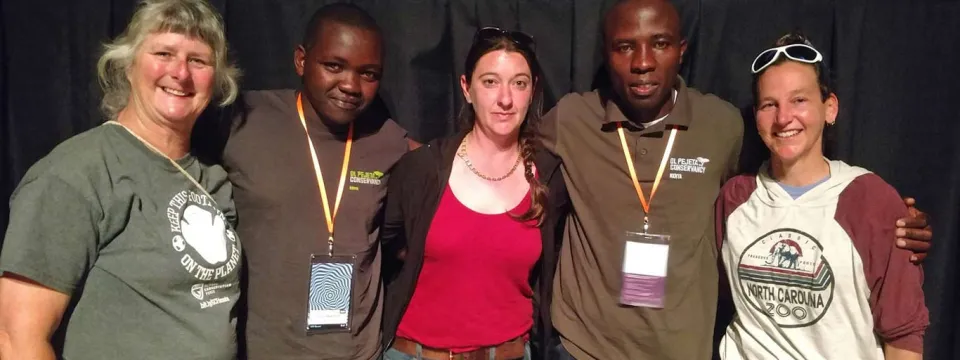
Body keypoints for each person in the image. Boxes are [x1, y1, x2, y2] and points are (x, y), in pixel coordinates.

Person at [538, 0, 933, 359]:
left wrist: (895, 229)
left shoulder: (721, 125)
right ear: (606, 53)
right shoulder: (573, 119)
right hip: (582, 349)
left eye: (659, 43)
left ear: (681, 50)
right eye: (625, 46)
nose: (643, 61)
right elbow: (507, 164)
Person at [0, 0, 242, 359]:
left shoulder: (214, 178)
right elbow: (18, 339)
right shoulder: (75, 174)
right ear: (128, 65)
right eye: (163, 53)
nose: (180, 73)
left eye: (198, 60)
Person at [198, 4, 408, 360]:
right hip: (264, 350)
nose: (350, 85)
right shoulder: (242, 121)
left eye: (368, 74)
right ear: (301, 60)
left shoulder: (388, 139)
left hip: (360, 352)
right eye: (334, 66)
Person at [715, 32, 928, 360]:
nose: (783, 118)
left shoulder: (870, 199)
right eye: (769, 104)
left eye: (799, 100)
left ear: (830, 108)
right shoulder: (736, 197)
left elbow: (904, 339)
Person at [379, 27, 568, 360]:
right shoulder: (422, 169)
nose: (506, 99)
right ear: (466, 88)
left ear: (533, 90)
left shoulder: (549, 176)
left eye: (519, 83)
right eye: (490, 82)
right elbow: (384, 253)